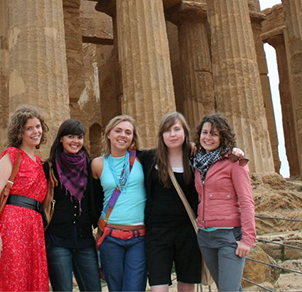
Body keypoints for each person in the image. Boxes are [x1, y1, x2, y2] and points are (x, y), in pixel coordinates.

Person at [0, 106, 50, 292]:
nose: (36, 131)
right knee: (13, 277)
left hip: (34, 227)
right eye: (29, 128)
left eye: (38, 126)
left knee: (31, 279)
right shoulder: (11, 155)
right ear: (19, 132)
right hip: (13, 225)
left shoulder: (39, 162)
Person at [192, 112, 256, 292]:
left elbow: (246, 200)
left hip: (228, 237)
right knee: (228, 288)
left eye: (214, 134)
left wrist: (247, 239)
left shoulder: (235, 162)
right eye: (205, 133)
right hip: (205, 236)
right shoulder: (198, 163)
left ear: (223, 137)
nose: (208, 137)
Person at [144, 112, 202, 292]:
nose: (173, 134)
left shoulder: (195, 158)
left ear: (185, 132)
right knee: (158, 287)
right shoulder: (149, 158)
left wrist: (234, 151)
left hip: (188, 231)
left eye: (177, 129)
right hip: (157, 232)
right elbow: (121, 153)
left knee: (187, 285)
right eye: (167, 130)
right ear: (161, 135)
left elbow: (219, 154)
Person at [43, 118, 102, 292]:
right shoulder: (49, 168)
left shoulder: (90, 167)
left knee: (93, 289)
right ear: (61, 138)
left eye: (79, 137)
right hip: (57, 240)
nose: (75, 141)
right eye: (71, 136)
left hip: (84, 240)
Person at [91, 115, 147, 292]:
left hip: (139, 236)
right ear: (108, 134)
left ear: (132, 137)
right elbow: (93, 198)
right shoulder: (97, 164)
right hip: (110, 236)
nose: (123, 135)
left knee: (134, 288)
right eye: (118, 130)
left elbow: (172, 153)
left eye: (128, 132)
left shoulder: (142, 160)